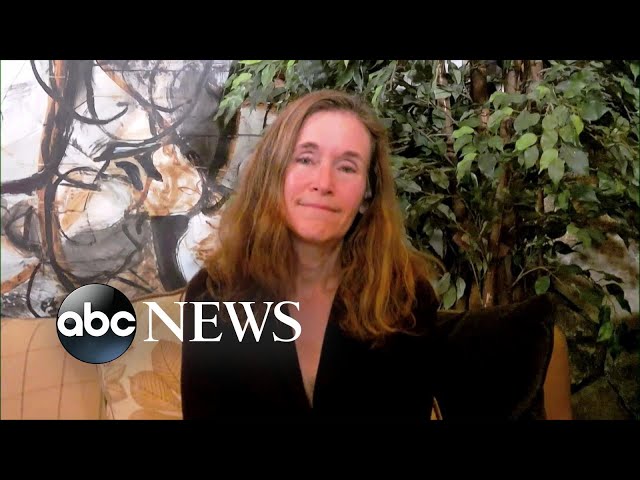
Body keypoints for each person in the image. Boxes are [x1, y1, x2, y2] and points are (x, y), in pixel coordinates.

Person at [180, 88, 572, 421]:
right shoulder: (212, 296)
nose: (323, 182)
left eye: (347, 167)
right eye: (306, 158)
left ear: (367, 195)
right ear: (274, 175)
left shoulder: (405, 299)